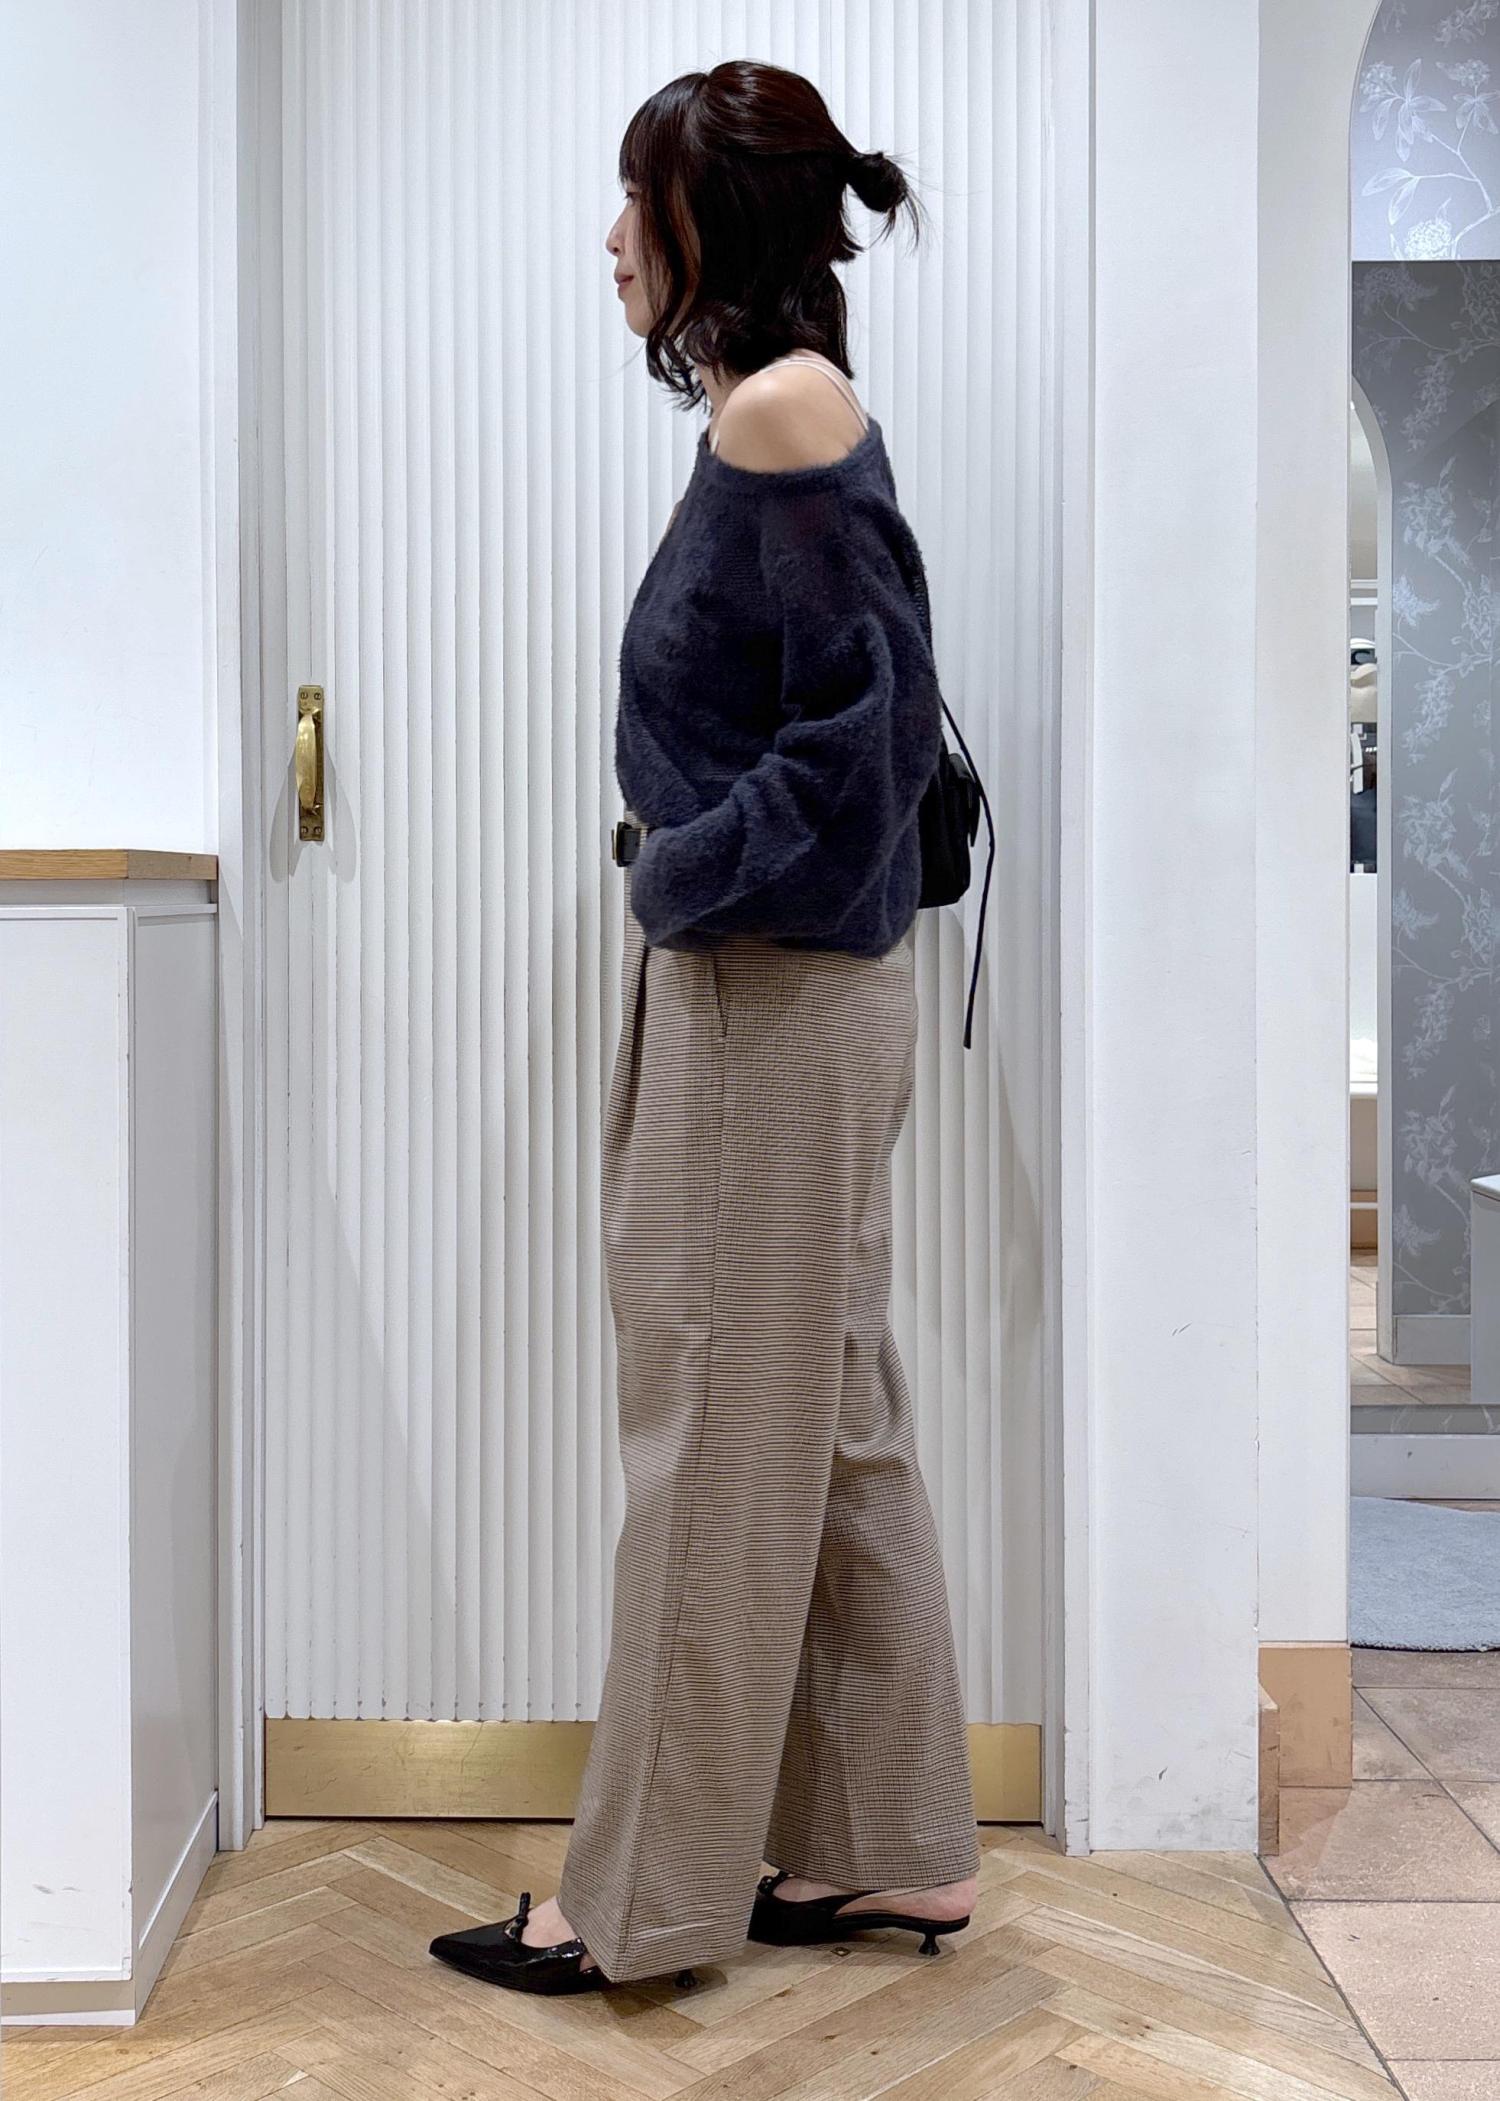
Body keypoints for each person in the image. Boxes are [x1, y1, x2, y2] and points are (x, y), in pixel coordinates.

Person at [429, 57, 980, 1998]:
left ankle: (639, 1899)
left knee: (714, 1439)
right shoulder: (783, 407)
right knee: (827, 1424)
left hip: (766, 989)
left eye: (633, 202)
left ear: (707, 222)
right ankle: (889, 1846)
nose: (609, 241)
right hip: (803, 990)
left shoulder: (781, 413)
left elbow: (862, 743)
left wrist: (676, 872)